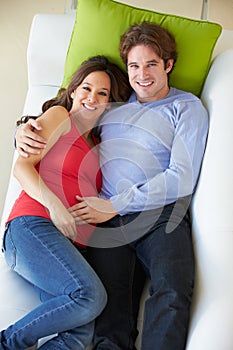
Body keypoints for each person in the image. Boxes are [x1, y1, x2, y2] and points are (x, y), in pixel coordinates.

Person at [15, 22, 209, 350]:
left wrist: (117, 204)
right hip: (105, 220)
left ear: (169, 65)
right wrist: (22, 131)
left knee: (172, 289)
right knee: (109, 310)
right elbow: (66, 119)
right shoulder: (111, 107)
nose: (142, 74)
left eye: (151, 64)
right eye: (134, 65)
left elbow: (182, 176)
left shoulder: (186, 107)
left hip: (159, 214)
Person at [1, 56, 133, 350]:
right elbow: (22, 168)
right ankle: (7, 342)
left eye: (103, 94)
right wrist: (55, 206)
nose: (92, 98)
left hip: (69, 246)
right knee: (90, 296)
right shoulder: (61, 117)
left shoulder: (99, 146)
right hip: (33, 226)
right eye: (86, 88)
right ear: (73, 90)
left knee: (79, 336)